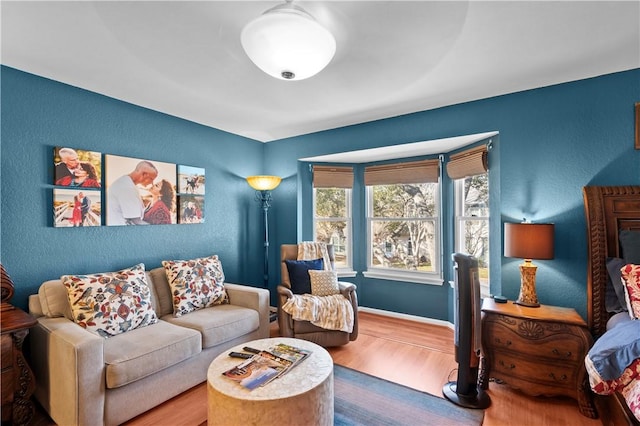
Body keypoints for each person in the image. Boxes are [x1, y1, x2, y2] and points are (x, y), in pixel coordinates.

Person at [106, 161, 158, 225]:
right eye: (151, 179)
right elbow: (136, 221)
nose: (152, 183)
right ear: (144, 174)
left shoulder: (125, 182)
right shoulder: (128, 188)